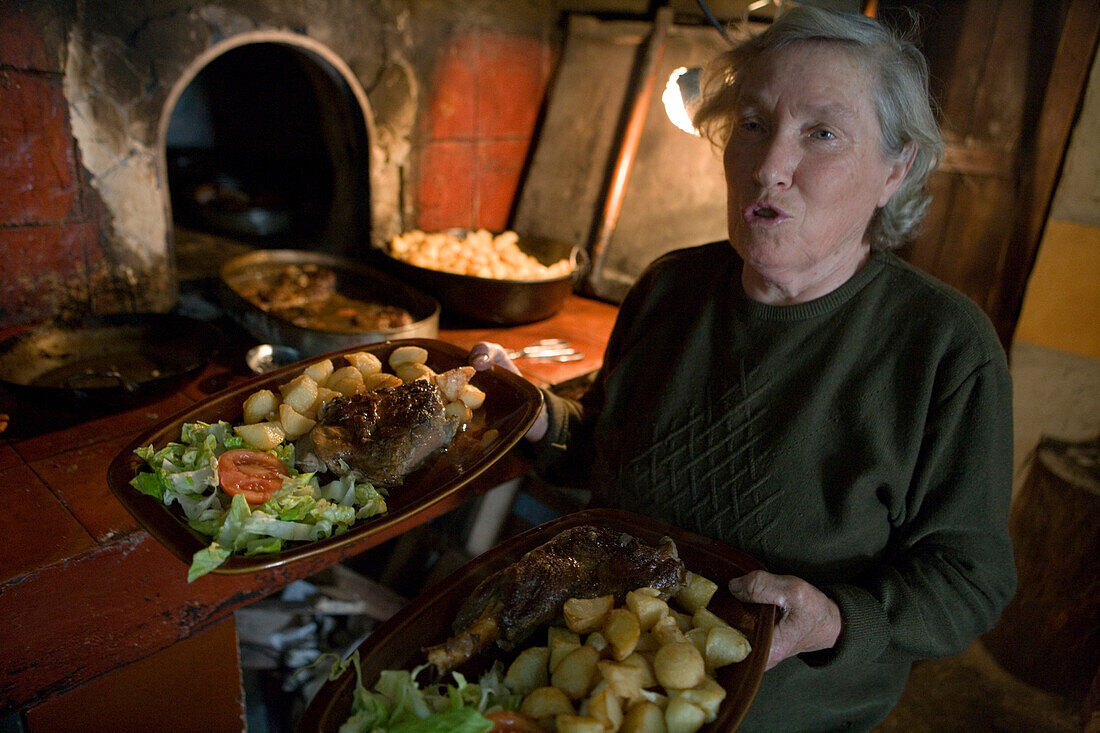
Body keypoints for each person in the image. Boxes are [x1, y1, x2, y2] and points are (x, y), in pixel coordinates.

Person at [469, 6, 1016, 731]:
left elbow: (970, 581)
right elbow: (606, 446)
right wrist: (539, 418)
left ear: (895, 168)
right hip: (588, 690)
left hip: (773, 714)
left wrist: (835, 619)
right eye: (753, 125)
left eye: (820, 133)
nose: (769, 167)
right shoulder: (670, 286)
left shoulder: (945, 347)